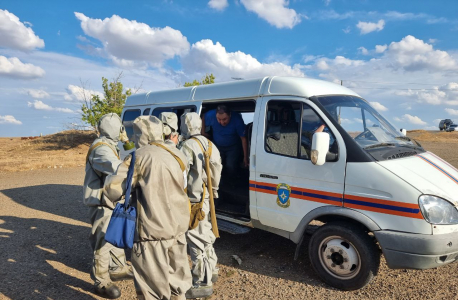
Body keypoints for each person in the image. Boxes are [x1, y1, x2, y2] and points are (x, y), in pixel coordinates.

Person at [103, 115, 192, 300]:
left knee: (152, 290)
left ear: (138, 135)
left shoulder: (138, 157)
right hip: (178, 231)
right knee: (178, 287)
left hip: (151, 234)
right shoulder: (178, 154)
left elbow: (112, 190)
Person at [83, 113, 133, 299]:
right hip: (101, 202)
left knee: (116, 233)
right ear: (115, 129)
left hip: (111, 199)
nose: (122, 131)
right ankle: (101, 280)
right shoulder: (101, 149)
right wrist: (134, 161)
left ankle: (117, 267)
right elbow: (117, 168)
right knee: (102, 240)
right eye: (120, 128)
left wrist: (128, 143)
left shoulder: (110, 145)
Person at [179, 112, 222, 299]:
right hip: (209, 198)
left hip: (193, 200)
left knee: (195, 239)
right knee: (207, 236)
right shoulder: (211, 145)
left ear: (185, 126)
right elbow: (217, 171)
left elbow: (180, 174)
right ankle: (211, 269)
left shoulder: (186, 146)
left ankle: (202, 283)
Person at [202, 105, 248, 178]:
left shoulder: (237, 119)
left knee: (231, 166)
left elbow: (243, 139)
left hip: (233, 147)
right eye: (219, 119)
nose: (222, 122)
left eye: (224, 119)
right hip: (217, 145)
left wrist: (245, 158)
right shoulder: (211, 115)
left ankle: (231, 182)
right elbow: (203, 117)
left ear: (230, 115)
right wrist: (203, 132)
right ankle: (219, 182)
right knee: (216, 164)